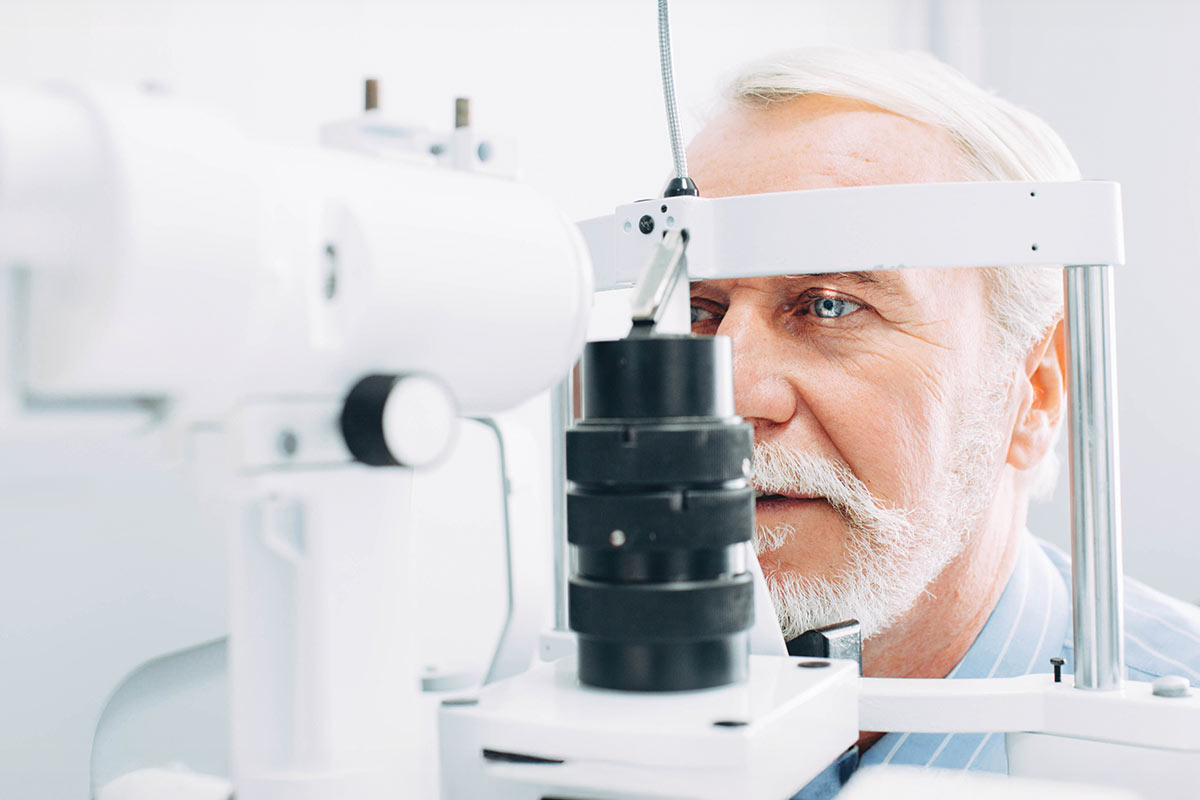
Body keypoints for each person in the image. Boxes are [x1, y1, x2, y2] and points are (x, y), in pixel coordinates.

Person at [685, 46, 1200, 772]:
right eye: (701, 313)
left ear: (1037, 391)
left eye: (829, 306)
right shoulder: (578, 729)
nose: (726, 397)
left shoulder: (1174, 750)